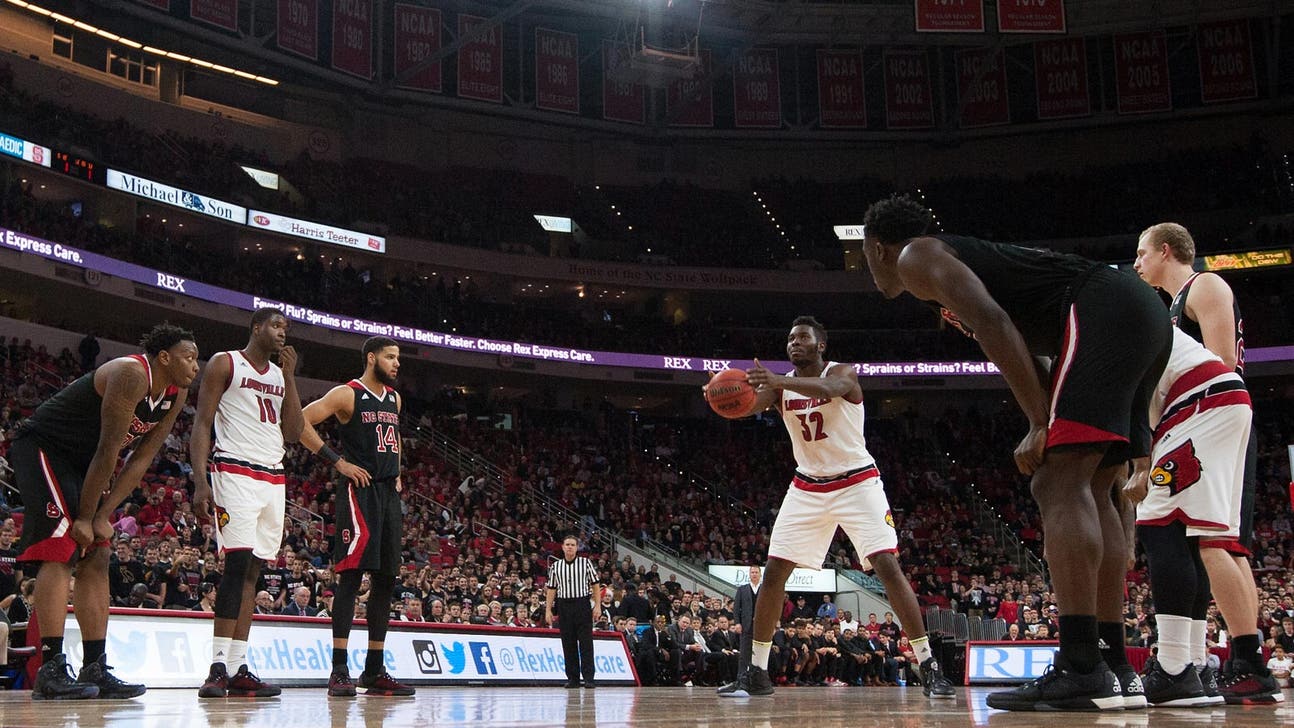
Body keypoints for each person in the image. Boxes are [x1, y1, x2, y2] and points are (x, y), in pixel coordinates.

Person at [861, 195, 1171, 711]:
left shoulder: (916, 257)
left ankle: (1080, 666)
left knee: (1057, 481)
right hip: (1140, 314)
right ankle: (1115, 665)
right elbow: (1036, 352)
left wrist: (1039, 422)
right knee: (1097, 485)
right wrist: (1052, 415)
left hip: (1103, 309)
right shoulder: (960, 257)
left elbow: (993, 324)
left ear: (876, 247)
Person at [708, 316, 955, 700]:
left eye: (803, 338)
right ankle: (755, 673)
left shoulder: (841, 371)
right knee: (774, 572)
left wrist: (779, 381)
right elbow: (745, 405)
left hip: (857, 481)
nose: (794, 343)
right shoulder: (779, 389)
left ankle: (929, 666)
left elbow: (831, 387)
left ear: (820, 344)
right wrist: (718, 394)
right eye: (790, 338)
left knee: (887, 565)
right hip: (808, 485)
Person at [1133, 222, 1279, 704]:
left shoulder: (1205, 283)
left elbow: (1218, 364)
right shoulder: (1171, 307)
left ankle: (1246, 659)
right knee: (1222, 543)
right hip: (1209, 420)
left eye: (1141, 254)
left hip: (1211, 414)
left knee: (1215, 542)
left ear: (1167, 251)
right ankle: (1240, 659)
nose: (1136, 264)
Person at [10, 324, 197, 700]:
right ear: (164, 357)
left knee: (99, 553)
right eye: (189, 357)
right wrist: (84, 517)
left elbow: (141, 458)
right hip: (44, 446)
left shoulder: (176, 393)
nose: (196, 365)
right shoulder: (131, 373)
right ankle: (49, 667)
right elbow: (109, 449)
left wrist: (102, 515)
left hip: (82, 462)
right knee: (62, 547)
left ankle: (94, 665)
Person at [1124, 329, 1254, 706]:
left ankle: (1174, 667)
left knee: (1160, 524)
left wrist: (1141, 464)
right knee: (1189, 537)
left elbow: (1130, 401)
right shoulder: (1136, 312)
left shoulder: (1098, 319)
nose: (1136, 263)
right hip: (1219, 402)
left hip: (1197, 404)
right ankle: (1195, 666)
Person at [192, 307, 303, 698]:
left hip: (273, 475)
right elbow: (202, 421)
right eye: (275, 325)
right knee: (236, 565)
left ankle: (239, 666)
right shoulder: (226, 363)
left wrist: (289, 376)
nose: (281, 332)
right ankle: (217, 665)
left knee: (254, 572)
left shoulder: (278, 374)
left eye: (285, 328)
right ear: (256, 328)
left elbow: (292, 432)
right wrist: (200, 480)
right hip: (234, 470)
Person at [298, 336, 414, 697]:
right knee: (350, 578)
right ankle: (339, 669)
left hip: (387, 495)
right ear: (371, 358)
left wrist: (397, 473)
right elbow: (301, 422)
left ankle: (374, 670)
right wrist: (338, 462)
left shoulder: (394, 399)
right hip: (358, 492)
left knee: (385, 580)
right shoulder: (346, 393)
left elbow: (393, 440)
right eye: (390, 357)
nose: (396, 364)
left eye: (398, 358)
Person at [545, 535, 602, 689]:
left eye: (573, 545)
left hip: (582, 604)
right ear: (562, 547)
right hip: (564, 605)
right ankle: (573, 678)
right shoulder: (556, 567)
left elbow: (595, 585)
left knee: (586, 643)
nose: (570, 547)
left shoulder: (585, 563)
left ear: (577, 548)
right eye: (567, 544)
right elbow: (551, 589)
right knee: (568, 644)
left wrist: (598, 606)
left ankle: (589, 678)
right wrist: (548, 610)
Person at [716, 565, 760, 695]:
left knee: (758, 654)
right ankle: (741, 680)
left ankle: (756, 681)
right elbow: (736, 609)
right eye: (752, 572)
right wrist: (738, 623)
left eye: (756, 572)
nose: (754, 574)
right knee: (744, 654)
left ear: (760, 574)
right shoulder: (742, 589)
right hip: (745, 626)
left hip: (760, 626)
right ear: (749, 574)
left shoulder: (764, 589)